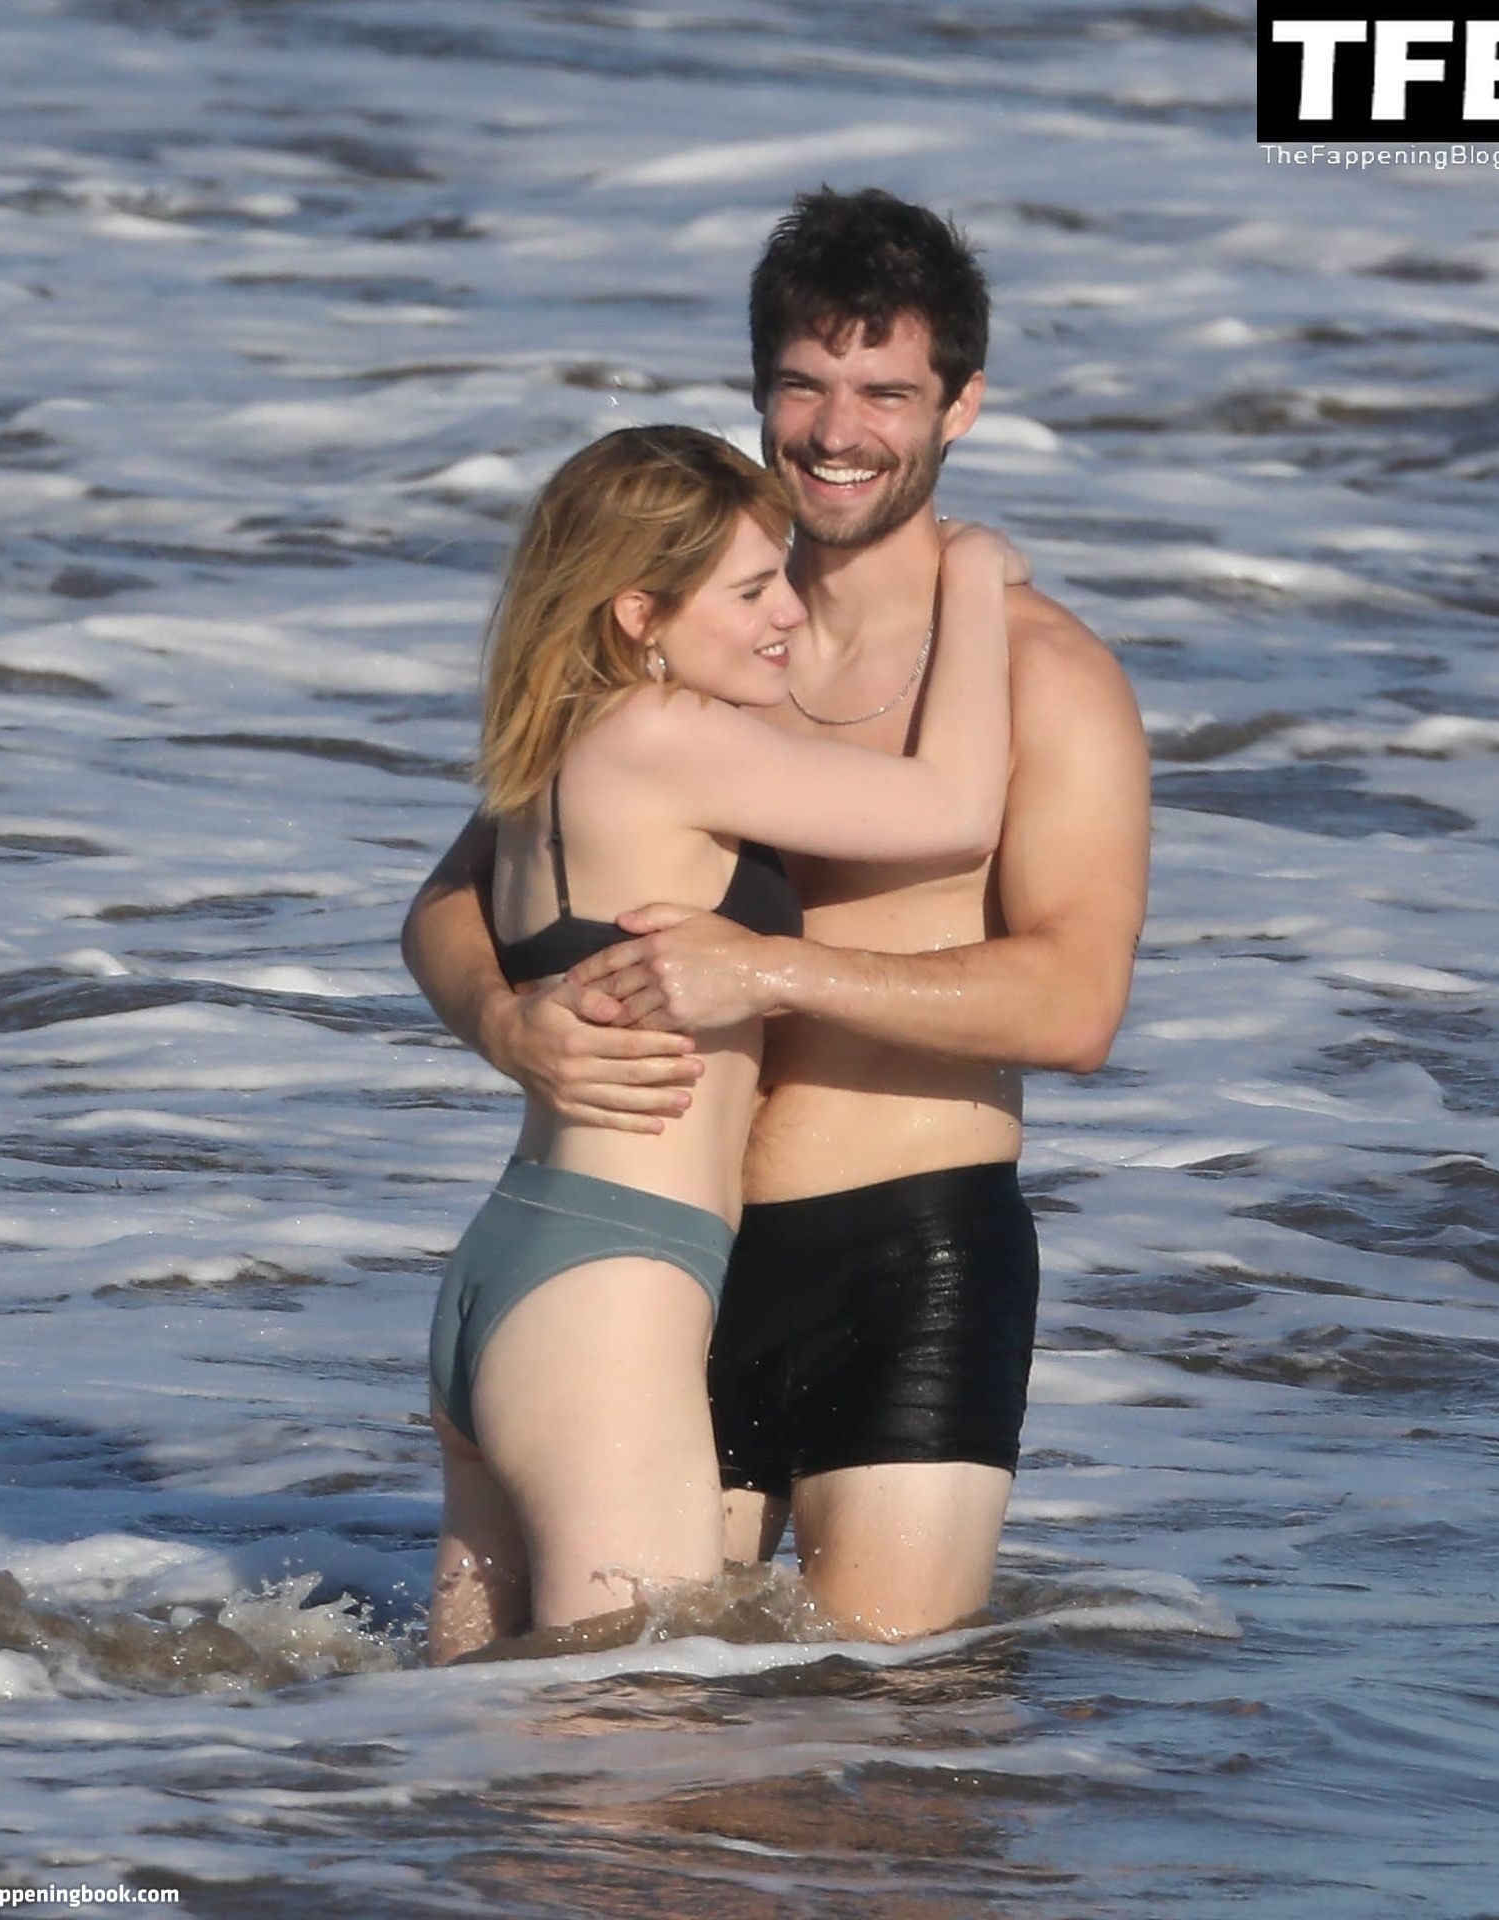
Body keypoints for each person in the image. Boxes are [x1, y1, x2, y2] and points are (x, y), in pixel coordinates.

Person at [404, 188, 1150, 1643]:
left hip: (904, 1250)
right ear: (759, 392)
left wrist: (774, 973)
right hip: (670, 1253)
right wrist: (503, 1019)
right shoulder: (696, 633)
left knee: (884, 1726)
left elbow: (1075, 1005)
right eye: (804, 385)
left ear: (961, 405)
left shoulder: (1043, 677)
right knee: (642, 1732)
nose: (836, 430)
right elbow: (455, 895)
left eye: (886, 392)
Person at [420, 421, 1014, 1662]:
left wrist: (497, 1017)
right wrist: (965, 573)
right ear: (637, 613)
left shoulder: (555, 743)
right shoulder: (664, 733)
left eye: (780, 578)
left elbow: (431, 907)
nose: (784, 612)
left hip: (519, 1268)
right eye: (747, 591)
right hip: (611, 1291)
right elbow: (956, 809)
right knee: (633, 1720)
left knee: (472, 1723)